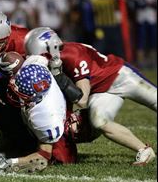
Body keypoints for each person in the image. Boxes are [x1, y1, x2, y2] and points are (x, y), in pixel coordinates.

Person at [24, 27, 157, 165]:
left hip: (120, 76)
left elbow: (82, 100)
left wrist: (59, 76)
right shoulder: (54, 58)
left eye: (41, 56)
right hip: (100, 92)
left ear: (53, 48)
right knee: (99, 122)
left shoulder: (73, 55)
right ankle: (144, 150)